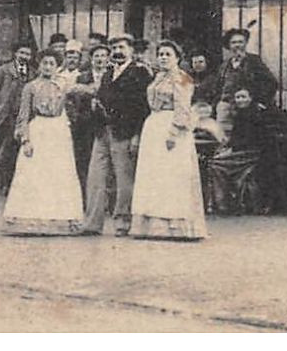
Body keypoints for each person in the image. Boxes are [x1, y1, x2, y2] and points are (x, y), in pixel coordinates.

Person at [129, 40, 207, 240]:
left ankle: (175, 225)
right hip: (154, 126)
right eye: (161, 54)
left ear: (177, 58)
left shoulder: (183, 79)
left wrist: (174, 132)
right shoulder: (157, 78)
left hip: (171, 127)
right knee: (154, 176)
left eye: (168, 54)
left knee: (172, 175)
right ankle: (152, 225)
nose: (163, 58)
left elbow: (183, 107)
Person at [3, 51, 85, 235]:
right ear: (39, 65)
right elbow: (23, 116)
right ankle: (30, 220)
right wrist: (26, 140)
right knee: (35, 174)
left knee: (58, 174)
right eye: (44, 63)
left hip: (59, 132)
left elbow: (82, 94)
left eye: (51, 63)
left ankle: (61, 219)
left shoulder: (64, 84)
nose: (47, 67)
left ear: (57, 66)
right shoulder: (30, 87)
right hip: (39, 129)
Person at [84, 34, 153, 235]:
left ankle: (123, 223)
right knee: (95, 178)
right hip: (102, 132)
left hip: (125, 133)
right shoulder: (107, 73)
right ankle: (92, 223)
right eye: (114, 48)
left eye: (122, 47)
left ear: (131, 50)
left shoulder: (140, 73)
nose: (117, 52)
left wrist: (137, 136)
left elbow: (143, 108)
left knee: (124, 180)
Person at [207, 85, 287, 215]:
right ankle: (224, 202)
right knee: (217, 160)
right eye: (237, 97)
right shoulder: (241, 114)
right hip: (245, 152)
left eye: (243, 97)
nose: (240, 100)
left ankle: (223, 203)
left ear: (250, 98)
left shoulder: (255, 114)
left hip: (252, 154)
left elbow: (253, 139)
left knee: (215, 164)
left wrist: (231, 148)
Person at [0, 43, 35, 200]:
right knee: (1, 152)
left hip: (24, 118)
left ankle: (11, 187)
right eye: (22, 53)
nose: (24, 57)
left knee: (18, 153)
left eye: (27, 54)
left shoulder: (33, 73)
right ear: (15, 53)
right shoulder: (4, 70)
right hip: (6, 117)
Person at [68, 43, 111, 191]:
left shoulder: (113, 76)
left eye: (103, 56)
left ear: (108, 59)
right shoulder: (82, 77)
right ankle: (86, 197)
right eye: (96, 56)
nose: (100, 59)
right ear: (91, 59)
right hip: (85, 126)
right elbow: (75, 102)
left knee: (107, 163)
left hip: (106, 125)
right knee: (84, 160)